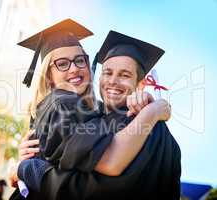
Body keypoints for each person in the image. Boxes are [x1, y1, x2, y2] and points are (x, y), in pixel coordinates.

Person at [9, 21, 176, 199]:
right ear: (48, 76)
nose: (74, 69)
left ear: (142, 84)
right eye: (107, 72)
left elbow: (95, 189)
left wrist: (27, 170)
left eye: (80, 60)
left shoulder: (132, 122)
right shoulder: (65, 104)